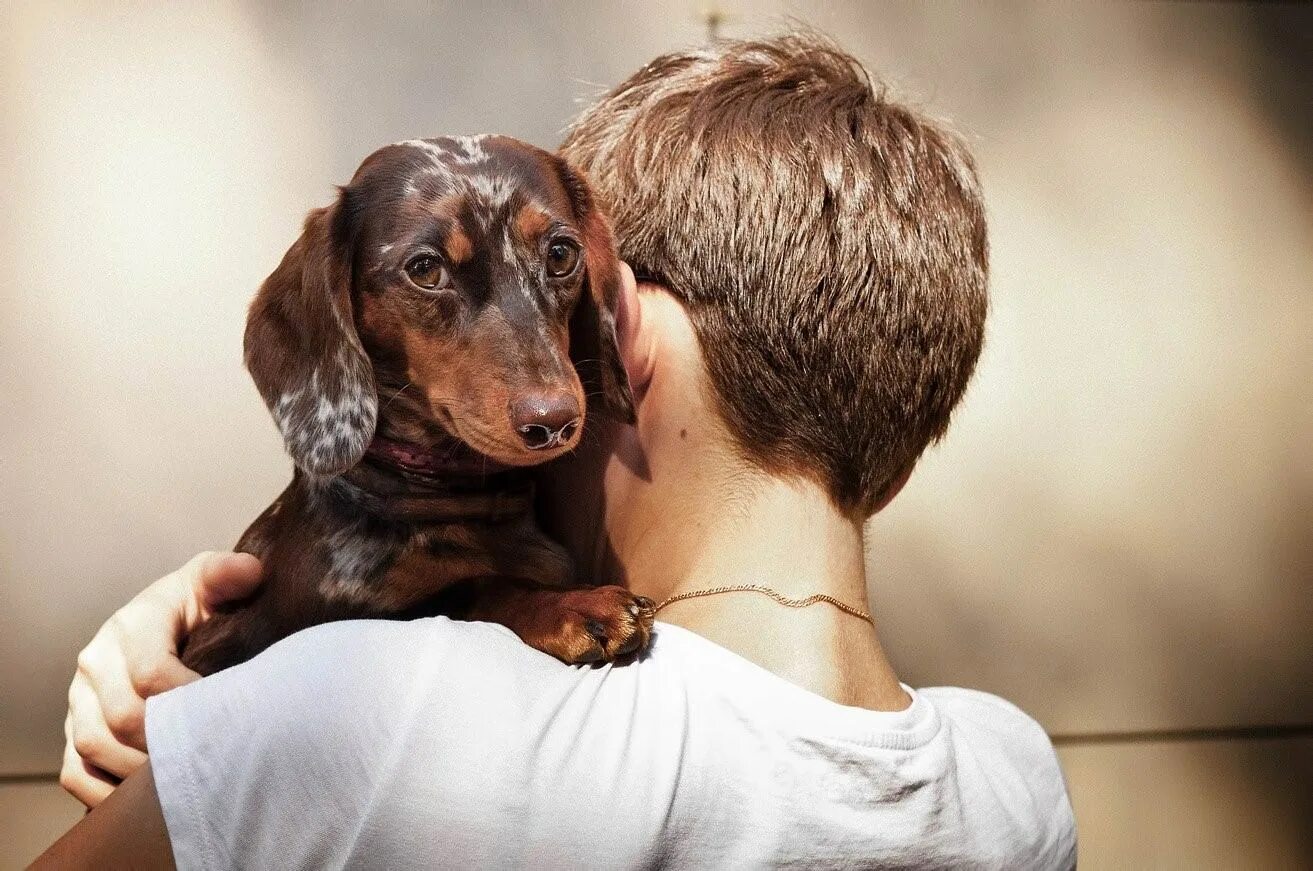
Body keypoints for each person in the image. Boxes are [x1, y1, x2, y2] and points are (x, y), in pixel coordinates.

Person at [44, 34, 1076, 869]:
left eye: (556, 275)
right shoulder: (1017, 780)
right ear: (891, 445)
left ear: (615, 327)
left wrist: (212, 732)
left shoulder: (364, 714)